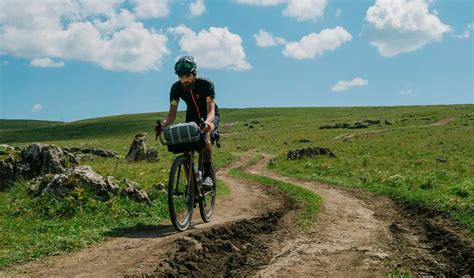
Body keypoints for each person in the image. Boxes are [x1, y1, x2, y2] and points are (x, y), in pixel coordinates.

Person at [157, 56, 219, 189]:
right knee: (187, 150)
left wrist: (208, 123)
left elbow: (211, 110)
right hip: (192, 117)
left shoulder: (206, 84)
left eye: (187, 76)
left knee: (205, 137)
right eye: (181, 77)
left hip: (209, 116)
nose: (184, 80)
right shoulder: (176, 88)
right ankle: (191, 184)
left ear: (194, 74)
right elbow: (172, 113)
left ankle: (208, 176)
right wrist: (163, 125)